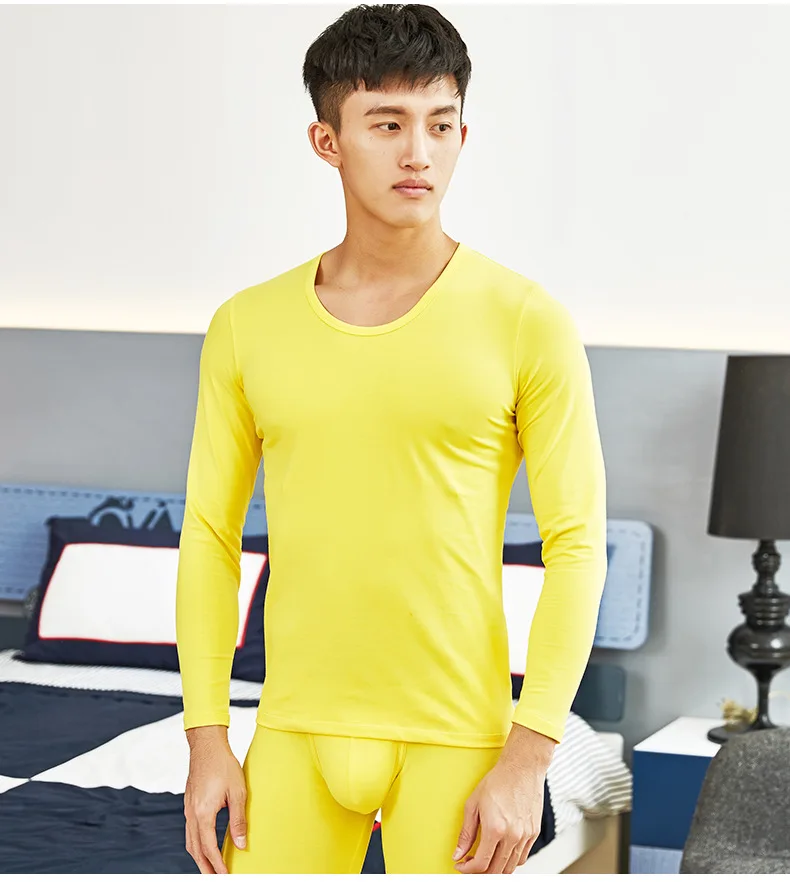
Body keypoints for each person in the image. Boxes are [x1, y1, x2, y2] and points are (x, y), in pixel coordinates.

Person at [175, 3, 607, 875]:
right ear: (327, 141)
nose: (419, 153)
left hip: (460, 739)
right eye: (387, 124)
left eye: (440, 125)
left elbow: (576, 544)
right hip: (294, 728)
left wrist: (529, 756)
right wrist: (207, 737)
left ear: (461, 135)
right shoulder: (246, 326)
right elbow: (212, 538)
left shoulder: (526, 320)